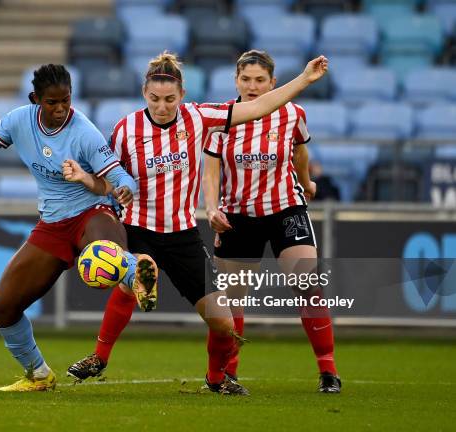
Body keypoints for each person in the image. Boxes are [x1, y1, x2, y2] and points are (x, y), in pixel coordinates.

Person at [66, 51, 328, 395]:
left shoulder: (198, 118)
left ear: (182, 96)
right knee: (138, 273)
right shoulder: (125, 129)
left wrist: (305, 79)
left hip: (183, 236)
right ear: (145, 93)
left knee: (224, 323)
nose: (162, 107)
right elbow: (109, 181)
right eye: (155, 99)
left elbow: (258, 107)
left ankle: (216, 381)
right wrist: (89, 179)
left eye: (170, 100)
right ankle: (100, 356)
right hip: (139, 228)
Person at [0, 64, 159, 392]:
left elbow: (121, 177)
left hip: (93, 213)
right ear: (36, 99)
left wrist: (123, 189)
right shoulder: (18, 121)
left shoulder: (84, 132)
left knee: (106, 253)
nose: (61, 108)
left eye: (66, 100)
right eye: (52, 102)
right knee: (3, 307)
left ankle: (138, 275)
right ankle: (37, 374)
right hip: (52, 225)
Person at [202, 50, 341, 393]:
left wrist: (307, 182)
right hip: (237, 215)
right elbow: (211, 168)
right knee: (231, 301)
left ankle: (328, 371)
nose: (252, 86)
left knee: (306, 281)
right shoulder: (222, 119)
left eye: (259, 79)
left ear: (272, 82)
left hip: (285, 208)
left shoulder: (292, 114)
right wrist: (211, 207)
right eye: (245, 79)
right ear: (236, 81)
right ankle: (226, 374)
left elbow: (300, 151)